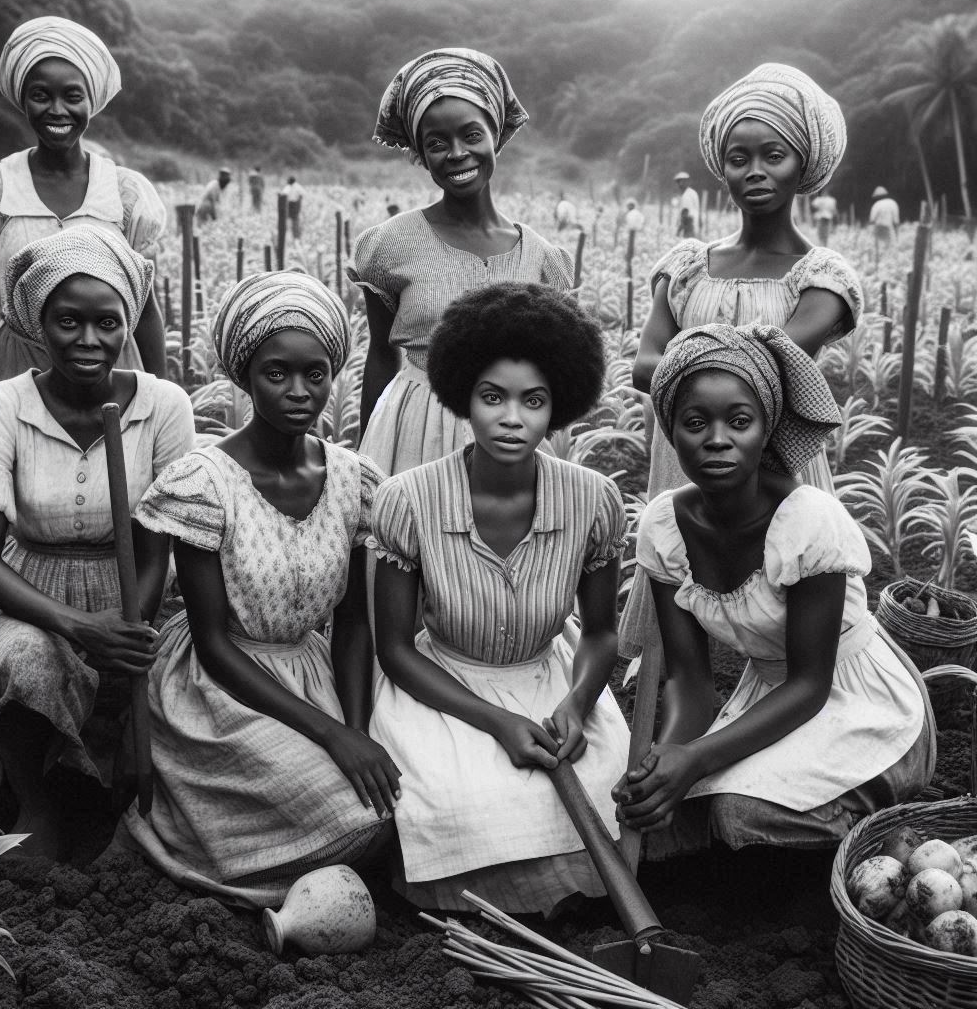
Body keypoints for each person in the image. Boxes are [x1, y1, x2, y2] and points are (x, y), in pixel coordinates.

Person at [120, 271, 397, 908]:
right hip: (221, 687)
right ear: (244, 375)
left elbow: (354, 625)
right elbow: (215, 644)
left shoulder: (353, 481)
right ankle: (190, 852)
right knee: (350, 820)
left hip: (318, 673)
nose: (300, 392)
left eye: (317, 373)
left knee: (395, 806)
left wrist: (354, 727)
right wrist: (333, 740)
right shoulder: (203, 484)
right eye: (277, 373)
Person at [612, 325, 934, 853]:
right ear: (671, 431)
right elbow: (691, 681)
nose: (717, 438)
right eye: (695, 423)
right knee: (679, 814)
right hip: (771, 696)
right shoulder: (664, 527)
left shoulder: (808, 523)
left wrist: (696, 759)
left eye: (739, 422)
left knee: (739, 815)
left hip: (858, 699)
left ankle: (874, 819)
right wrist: (662, 762)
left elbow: (810, 683)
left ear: (765, 431)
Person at [368, 281, 631, 914]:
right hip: (442, 686)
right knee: (460, 801)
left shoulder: (592, 499)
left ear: (558, 405)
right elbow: (397, 651)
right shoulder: (409, 499)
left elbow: (599, 634)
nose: (512, 418)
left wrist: (577, 701)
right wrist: (495, 721)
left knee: (607, 782)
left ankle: (565, 903)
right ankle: (479, 909)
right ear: (463, 396)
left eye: (533, 401)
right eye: (493, 397)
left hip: (551, 679)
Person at [0, 226, 195, 859]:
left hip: (133, 585)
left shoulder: (163, 406)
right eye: (68, 321)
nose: (89, 341)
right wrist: (79, 627)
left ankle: (122, 797)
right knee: (33, 659)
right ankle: (35, 800)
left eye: (107, 323)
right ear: (39, 323)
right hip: (27, 589)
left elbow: (158, 545)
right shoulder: (3, 405)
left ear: (128, 324)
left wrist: (128, 621)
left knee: (176, 681)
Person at [619, 62, 864, 664]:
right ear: (720, 166)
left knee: (785, 624)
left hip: (772, 467)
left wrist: (689, 361)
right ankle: (663, 739)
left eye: (773, 154)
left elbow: (772, 365)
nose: (754, 171)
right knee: (678, 622)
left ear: (802, 163)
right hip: (685, 458)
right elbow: (644, 367)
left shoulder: (824, 278)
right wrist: (722, 366)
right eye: (738, 157)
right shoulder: (686, 265)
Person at [349, 47, 573, 476]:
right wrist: (363, 469)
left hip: (512, 439)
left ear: (496, 135)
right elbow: (380, 355)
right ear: (420, 153)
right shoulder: (392, 244)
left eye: (472, 135)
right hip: (415, 432)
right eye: (436, 143)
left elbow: (555, 372)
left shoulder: (542, 258)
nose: (456, 153)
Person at [0, 15, 168, 405]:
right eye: (40, 95)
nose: (57, 110)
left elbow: (146, 312)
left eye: (72, 96)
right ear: (23, 100)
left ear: (91, 102)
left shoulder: (126, 194)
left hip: (112, 376)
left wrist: (166, 400)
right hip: (19, 377)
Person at [674, 171, 699, 238]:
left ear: (687, 182)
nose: (680, 184)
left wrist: (678, 231)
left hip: (689, 227)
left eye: (681, 182)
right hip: (693, 226)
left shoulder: (687, 195)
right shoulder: (692, 192)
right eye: (678, 182)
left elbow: (685, 214)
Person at [282, 175, 306, 240]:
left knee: (295, 220)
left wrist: (298, 201)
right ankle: (292, 235)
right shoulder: (288, 187)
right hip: (289, 204)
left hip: (295, 204)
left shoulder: (297, 186)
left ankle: (296, 235)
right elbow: (283, 194)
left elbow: (302, 194)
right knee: (289, 220)